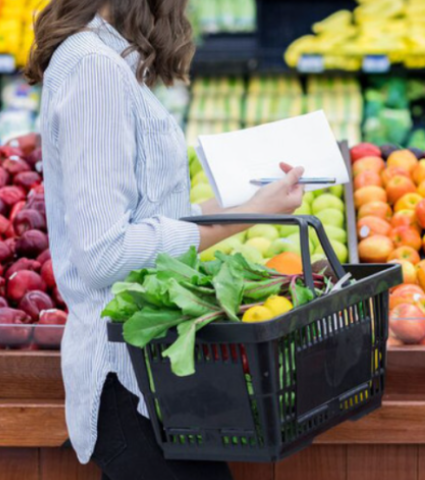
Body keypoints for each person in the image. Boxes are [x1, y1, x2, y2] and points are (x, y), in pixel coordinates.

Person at [25, 1, 305, 478]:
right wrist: (245, 218)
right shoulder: (95, 69)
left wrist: (254, 202)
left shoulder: (107, 61)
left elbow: (149, 220)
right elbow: (105, 253)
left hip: (156, 379)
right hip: (127, 381)